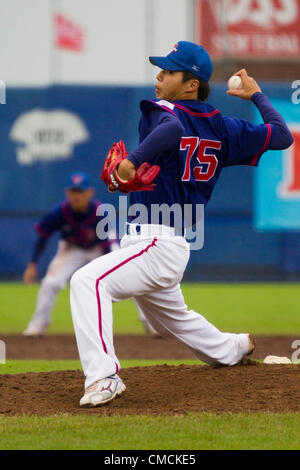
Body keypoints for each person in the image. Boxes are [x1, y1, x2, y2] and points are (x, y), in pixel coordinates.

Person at [70, 41, 293, 408]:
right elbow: (281, 135)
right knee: (173, 318)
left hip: (155, 242)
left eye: (169, 72)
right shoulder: (224, 127)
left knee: (87, 281)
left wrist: (135, 159)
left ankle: (103, 376)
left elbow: (172, 129)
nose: (159, 76)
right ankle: (232, 347)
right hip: (168, 242)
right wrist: (256, 94)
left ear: (191, 84)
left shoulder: (164, 110)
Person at [23, 171, 119, 336]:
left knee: (131, 277)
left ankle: (150, 323)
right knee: (49, 283)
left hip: (100, 249)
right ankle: (38, 324)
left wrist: (113, 275)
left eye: (80, 192)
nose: (76, 196)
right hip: (72, 248)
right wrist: (32, 264)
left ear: (89, 193)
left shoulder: (100, 212)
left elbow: (108, 248)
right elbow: (43, 237)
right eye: (73, 192)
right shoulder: (60, 212)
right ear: (67, 193)